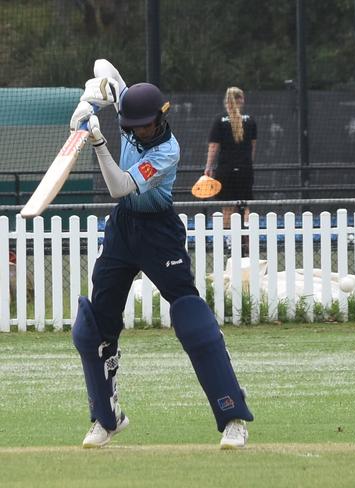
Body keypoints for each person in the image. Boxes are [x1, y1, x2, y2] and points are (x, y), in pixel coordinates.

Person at [68, 59, 253, 449]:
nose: (144, 131)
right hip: (122, 230)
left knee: (191, 319)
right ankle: (106, 417)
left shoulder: (168, 150)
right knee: (93, 328)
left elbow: (119, 187)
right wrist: (90, 101)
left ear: (161, 119)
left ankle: (233, 416)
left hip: (159, 231)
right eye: (136, 128)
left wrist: (99, 143)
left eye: (149, 124)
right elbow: (105, 68)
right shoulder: (129, 112)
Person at [203, 87, 257, 235]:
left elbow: (214, 146)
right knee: (245, 207)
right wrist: (247, 165)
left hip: (225, 170)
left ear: (227, 101)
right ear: (242, 100)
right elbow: (252, 148)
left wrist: (208, 166)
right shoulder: (250, 121)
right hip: (245, 170)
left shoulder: (219, 120)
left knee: (227, 207)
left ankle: (228, 243)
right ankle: (246, 243)